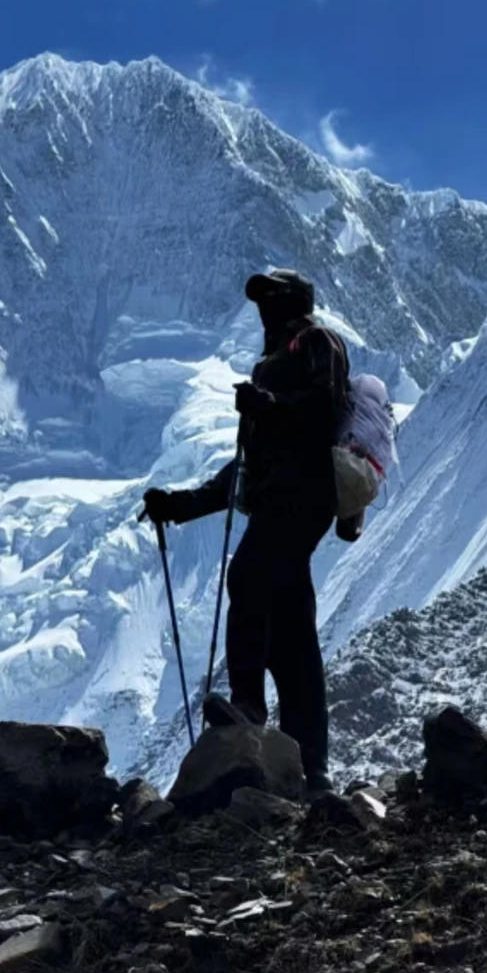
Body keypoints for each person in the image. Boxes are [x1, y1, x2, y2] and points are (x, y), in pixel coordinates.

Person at [142, 268, 350, 793]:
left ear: (296, 303)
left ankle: (249, 706)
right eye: (261, 303)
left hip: (303, 495)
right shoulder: (267, 367)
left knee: (249, 575)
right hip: (281, 500)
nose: (264, 311)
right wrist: (180, 505)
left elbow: (324, 406)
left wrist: (271, 407)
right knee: (291, 636)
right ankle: (312, 768)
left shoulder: (318, 342)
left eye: (273, 300)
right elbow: (247, 467)